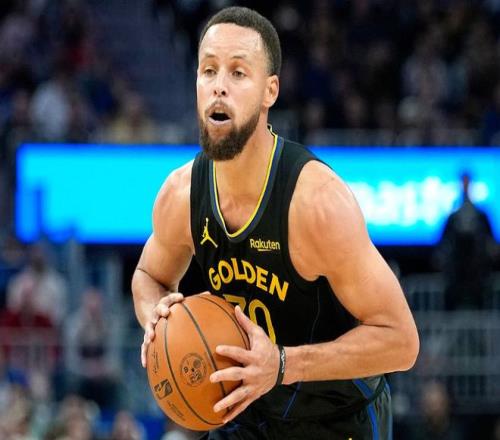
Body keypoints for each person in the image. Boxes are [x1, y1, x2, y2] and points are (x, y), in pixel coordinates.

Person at [132, 6, 419, 439]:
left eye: (238, 73)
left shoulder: (317, 203)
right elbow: (148, 275)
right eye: (208, 70)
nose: (219, 86)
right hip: (247, 414)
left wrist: (282, 364)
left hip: (338, 418)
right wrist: (155, 315)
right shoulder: (181, 194)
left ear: (270, 91)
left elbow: (401, 341)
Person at [435, 172, 496, 310]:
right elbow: (442, 245)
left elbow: (491, 242)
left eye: (467, 182)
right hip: (455, 276)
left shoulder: (481, 216)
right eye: (463, 182)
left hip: (479, 276)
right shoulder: (453, 217)